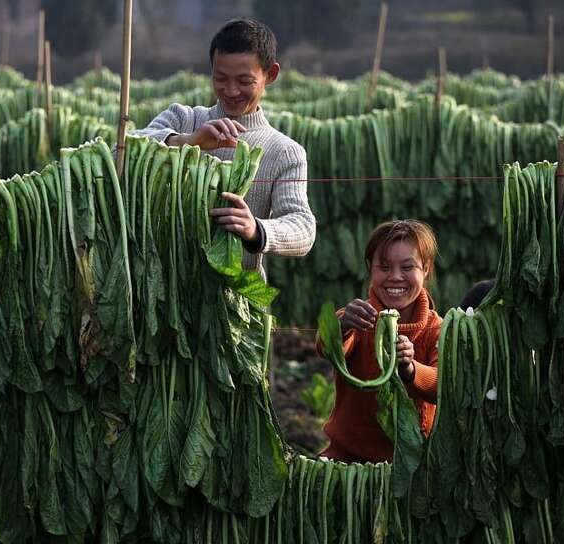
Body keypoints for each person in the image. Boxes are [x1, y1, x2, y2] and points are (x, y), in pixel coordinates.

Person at [134, 18, 316, 279]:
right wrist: (188, 141)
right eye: (220, 78)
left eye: (244, 81)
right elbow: (124, 149)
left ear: (270, 74)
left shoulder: (284, 151)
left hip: (235, 298)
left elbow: (303, 228)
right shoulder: (183, 119)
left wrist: (256, 229)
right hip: (164, 287)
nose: (230, 91)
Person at [318, 220, 442, 463]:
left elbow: (443, 384)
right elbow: (326, 346)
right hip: (349, 459)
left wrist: (410, 369)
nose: (395, 277)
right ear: (370, 268)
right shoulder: (355, 319)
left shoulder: (436, 330)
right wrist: (340, 326)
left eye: (408, 267)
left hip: (414, 464)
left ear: (426, 269)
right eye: (384, 267)